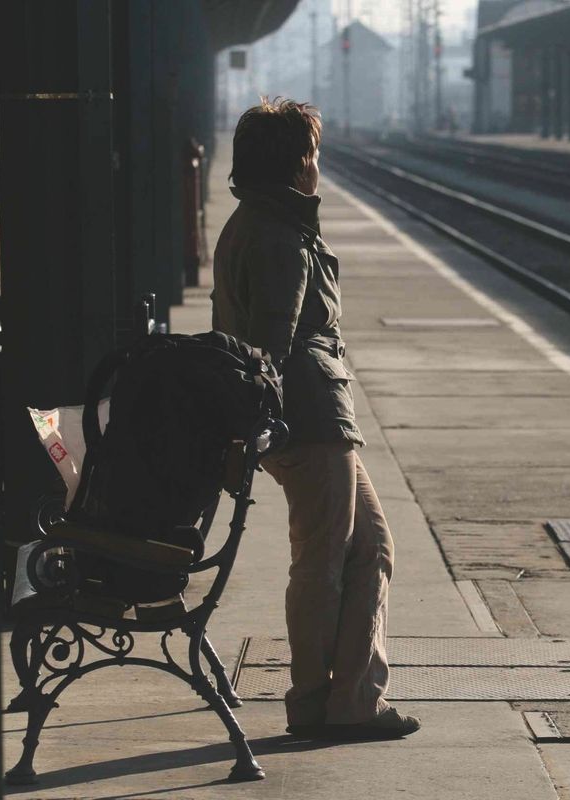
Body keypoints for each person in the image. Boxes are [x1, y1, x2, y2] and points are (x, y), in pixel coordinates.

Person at [211, 97, 419, 741]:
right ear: (300, 162)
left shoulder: (265, 222)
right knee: (325, 557)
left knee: (370, 547)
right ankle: (317, 701)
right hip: (307, 416)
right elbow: (271, 343)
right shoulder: (279, 235)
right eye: (315, 155)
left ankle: (350, 697)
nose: (319, 166)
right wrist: (256, 428)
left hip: (313, 415)